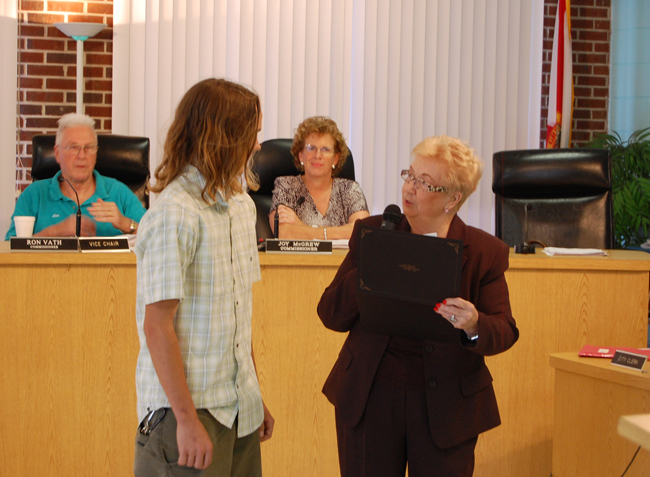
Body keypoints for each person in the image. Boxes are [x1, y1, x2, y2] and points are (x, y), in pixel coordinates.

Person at [317, 135, 519, 477]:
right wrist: (371, 263)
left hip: (446, 408)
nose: (409, 189)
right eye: (409, 176)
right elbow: (331, 314)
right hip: (371, 396)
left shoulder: (485, 252)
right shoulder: (372, 232)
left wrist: (473, 325)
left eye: (424, 183)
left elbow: (504, 329)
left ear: (452, 199)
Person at [133, 78, 274, 476]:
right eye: (254, 134)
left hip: (239, 410)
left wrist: (254, 394)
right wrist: (187, 421)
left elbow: (236, 317)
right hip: (187, 415)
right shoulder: (175, 214)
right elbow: (158, 327)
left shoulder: (242, 206)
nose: (259, 145)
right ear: (226, 137)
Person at [4, 113, 146, 239]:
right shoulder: (34, 195)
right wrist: (56, 232)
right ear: (57, 153)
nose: (82, 156)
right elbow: (10, 251)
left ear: (96, 154)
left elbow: (155, 236)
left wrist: (127, 224)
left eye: (89, 147)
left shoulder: (119, 192)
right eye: (73, 147)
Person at [269, 116, 369, 239]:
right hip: (298, 259)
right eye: (311, 148)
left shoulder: (349, 189)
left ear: (335, 158)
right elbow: (283, 233)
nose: (318, 155)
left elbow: (363, 232)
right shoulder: (287, 186)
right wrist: (338, 233)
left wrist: (303, 228)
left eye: (325, 149)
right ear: (301, 155)